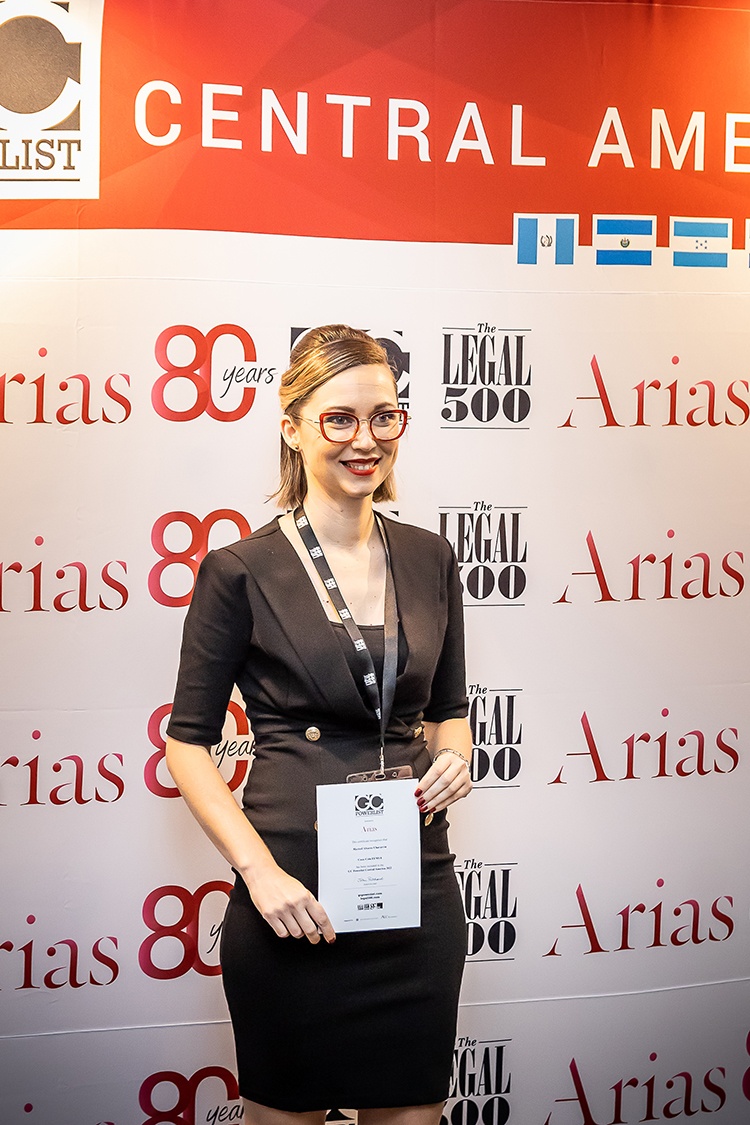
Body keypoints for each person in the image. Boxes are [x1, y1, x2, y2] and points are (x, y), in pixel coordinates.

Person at [165, 325, 473, 1125]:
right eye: (339, 418)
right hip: (291, 901)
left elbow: (450, 710)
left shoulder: (431, 557)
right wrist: (258, 873)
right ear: (292, 427)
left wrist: (456, 756)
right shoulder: (239, 570)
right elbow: (186, 740)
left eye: (384, 416)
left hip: (412, 894)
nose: (365, 439)